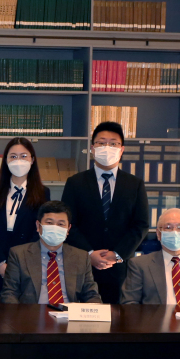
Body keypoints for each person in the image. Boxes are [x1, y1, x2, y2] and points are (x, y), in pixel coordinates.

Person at [60, 121, 149, 304]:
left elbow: (141, 225)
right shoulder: (75, 182)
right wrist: (89, 253)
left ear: (121, 150)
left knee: (118, 318)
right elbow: (68, 224)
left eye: (113, 143)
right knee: (81, 317)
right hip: (82, 266)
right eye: (101, 143)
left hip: (120, 270)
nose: (107, 147)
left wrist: (117, 254)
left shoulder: (135, 184)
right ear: (92, 148)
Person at [0, 138, 50, 302]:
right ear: (6, 160)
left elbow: (40, 231)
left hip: (27, 265)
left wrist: (19, 264)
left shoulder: (43, 193)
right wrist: (0, 263)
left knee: (26, 314)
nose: (18, 160)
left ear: (32, 160)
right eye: (13, 156)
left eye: (23, 156)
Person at [0, 201, 100, 305]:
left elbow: (91, 294)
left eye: (60, 224)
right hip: (32, 313)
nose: (55, 228)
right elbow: (9, 293)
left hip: (69, 313)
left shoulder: (81, 257)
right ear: (38, 225)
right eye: (49, 223)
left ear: (68, 229)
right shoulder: (19, 254)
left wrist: (94, 308)